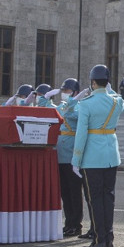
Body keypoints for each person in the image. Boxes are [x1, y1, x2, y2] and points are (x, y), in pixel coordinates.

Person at [72, 64, 124, 247]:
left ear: (93, 82)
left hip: (92, 157)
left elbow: (81, 134)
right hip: (111, 155)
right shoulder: (116, 101)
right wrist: (110, 91)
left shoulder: (86, 103)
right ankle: (109, 239)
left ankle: (99, 239)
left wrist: (76, 159)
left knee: (95, 199)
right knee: (108, 198)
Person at [55, 78, 86, 238]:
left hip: (73, 154)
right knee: (65, 192)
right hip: (60, 154)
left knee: (74, 191)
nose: (64, 94)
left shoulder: (79, 107)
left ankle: (76, 224)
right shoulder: (63, 106)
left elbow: (77, 117)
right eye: (64, 91)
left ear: (74, 92)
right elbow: (58, 113)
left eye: (67, 91)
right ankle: (68, 223)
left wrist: (73, 103)